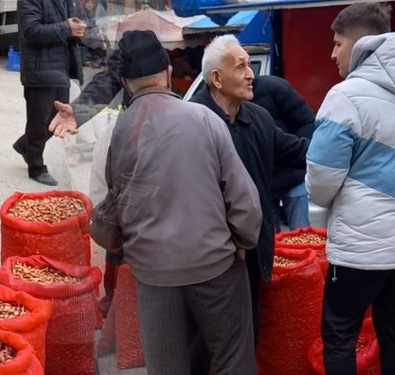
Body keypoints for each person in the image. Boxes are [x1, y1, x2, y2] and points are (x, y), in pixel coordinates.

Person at [102, 30, 261, 374]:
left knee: (168, 367)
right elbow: (245, 201)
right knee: (232, 360)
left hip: (153, 274)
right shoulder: (203, 118)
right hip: (214, 266)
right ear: (168, 72)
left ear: (126, 83)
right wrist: (243, 242)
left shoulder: (120, 130)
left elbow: (114, 200)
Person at [305, 3, 395, 374]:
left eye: (337, 43)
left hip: (360, 248)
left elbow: (321, 180)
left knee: (340, 336)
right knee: (394, 328)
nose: (332, 53)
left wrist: (324, 200)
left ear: (360, 45)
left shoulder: (344, 97)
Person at [189, 34, 308, 342]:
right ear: (216, 78)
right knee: (209, 343)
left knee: (248, 334)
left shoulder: (258, 117)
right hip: (209, 258)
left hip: (253, 250)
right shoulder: (190, 122)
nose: (251, 74)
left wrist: (347, 147)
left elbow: (295, 149)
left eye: (249, 66)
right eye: (241, 66)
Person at [13, 0, 87, 186]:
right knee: (39, 121)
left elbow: (67, 25)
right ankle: (36, 166)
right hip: (39, 68)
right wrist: (66, 27)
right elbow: (30, 31)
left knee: (58, 118)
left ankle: (25, 145)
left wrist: (76, 30)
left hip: (60, 67)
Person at [252, 75, 315, 231]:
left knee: (302, 234)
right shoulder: (232, 102)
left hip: (292, 173)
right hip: (264, 180)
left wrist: (299, 156)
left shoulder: (274, 88)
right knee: (268, 238)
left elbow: (306, 122)